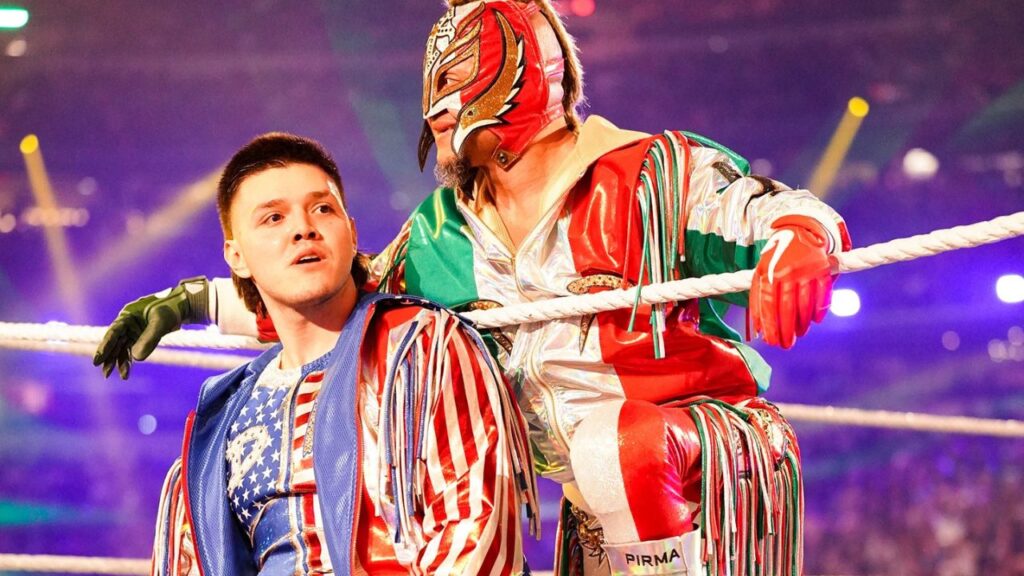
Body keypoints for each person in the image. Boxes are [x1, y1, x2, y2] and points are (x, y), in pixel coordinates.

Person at [96, 2, 852, 574]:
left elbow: (775, 210)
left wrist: (801, 240)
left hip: (698, 457)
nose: (436, 108)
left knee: (612, 446)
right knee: (589, 458)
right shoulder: (440, 232)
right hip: (596, 501)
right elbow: (333, 298)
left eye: (453, 78)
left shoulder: (650, 173)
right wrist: (193, 302)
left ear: (520, 69)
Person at [95, 133, 538, 575]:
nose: (303, 228)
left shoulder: (423, 348)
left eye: (323, 209)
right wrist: (191, 300)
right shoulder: (224, 414)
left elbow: (474, 527)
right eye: (273, 218)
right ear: (236, 256)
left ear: (352, 233)